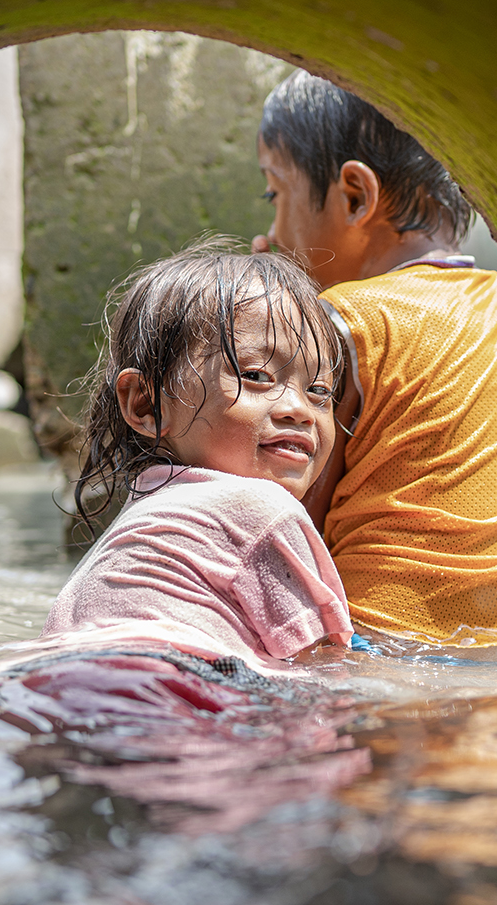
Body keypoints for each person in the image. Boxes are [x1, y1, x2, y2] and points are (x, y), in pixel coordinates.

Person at [252, 71, 497, 639]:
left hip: (384, 671)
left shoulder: (343, 322)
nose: (267, 233)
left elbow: (288, 542)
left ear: (354, 196)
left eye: (275, 194)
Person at [34, 242, 354, 672]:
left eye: (319, 390)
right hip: (185, 694)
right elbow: (324, 667)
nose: (298, 409)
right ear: (147, 405)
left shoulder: (142, 520)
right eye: (256, 377)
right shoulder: (263, 511)